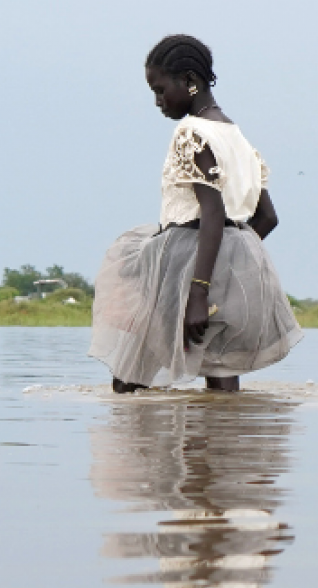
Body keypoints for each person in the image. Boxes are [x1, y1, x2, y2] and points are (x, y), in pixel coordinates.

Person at [89, 35, 302, 393]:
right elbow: (267, 218)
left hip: (187, 263)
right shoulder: (237, 138)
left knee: (129, 379)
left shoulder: (190, 132)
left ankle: (139, 445)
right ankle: (223, 446)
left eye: (160, 90)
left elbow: (212, 211)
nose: (157, 101)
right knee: (219, 370)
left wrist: (198, 290)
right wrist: (229, 269)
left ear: (190, 80)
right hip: (227, 262)